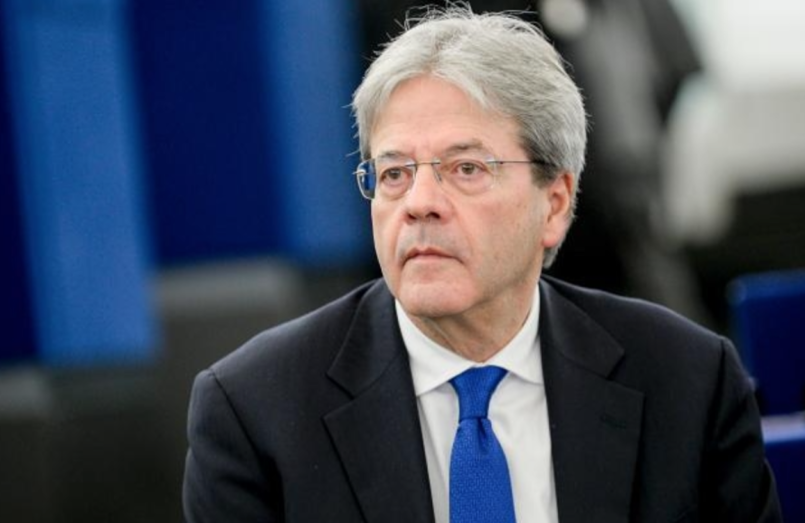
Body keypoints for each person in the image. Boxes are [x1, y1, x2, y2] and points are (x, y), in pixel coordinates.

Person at [183, 6, 781, 523]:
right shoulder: (255, 411)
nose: (419, 203)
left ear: (555, 203)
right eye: (394, 173)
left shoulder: (687, 380)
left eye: (465, 168)